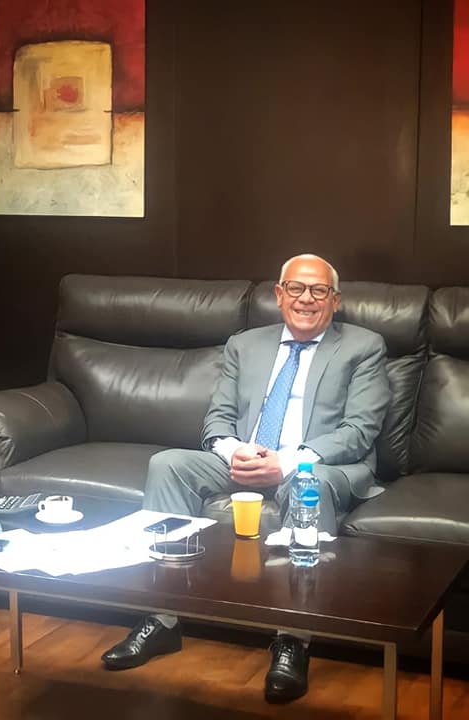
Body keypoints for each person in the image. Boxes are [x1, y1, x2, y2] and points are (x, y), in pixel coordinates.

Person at [100, 254, 390, 703]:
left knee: (306, 484)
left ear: (335, 301)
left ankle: (293, 638)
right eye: (296, 288)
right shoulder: (245, 344)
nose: (306, 299)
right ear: (279, 295)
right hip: (246, 457)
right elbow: (217, 418)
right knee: (168, 464)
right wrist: (234, 451)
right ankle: (161, 618)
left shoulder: (363, 346)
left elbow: (360, 430)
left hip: (315, 464)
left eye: (319, 291)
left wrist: (287, 462)